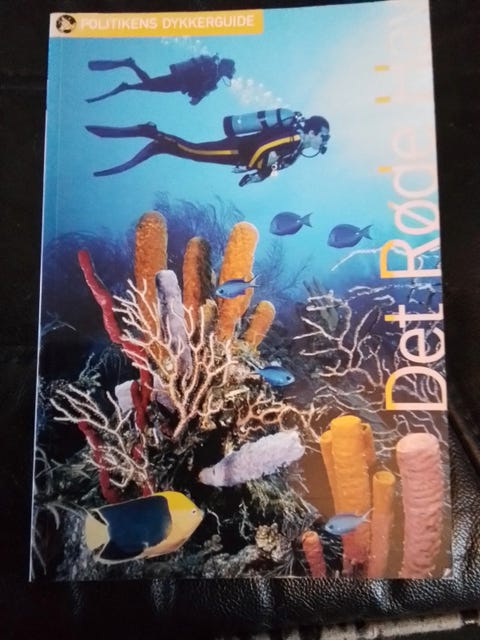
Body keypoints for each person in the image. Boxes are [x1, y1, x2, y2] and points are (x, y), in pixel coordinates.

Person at [85, 114, 330, 186]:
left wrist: (255, 177)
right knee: (194, 151)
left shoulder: (295, 153)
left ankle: (162, 146)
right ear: (313, 131)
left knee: (193, 154)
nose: (324, 142)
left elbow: (274, 168)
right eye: (324, 136)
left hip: (239, 158)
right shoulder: (293, 136)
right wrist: (256, 165)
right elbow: (262, 148)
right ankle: (152, 132)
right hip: (236, 150)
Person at [86, 55, 236, 105]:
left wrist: (197, 98)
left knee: (150, 86)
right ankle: (130, 66)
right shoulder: (209, 64)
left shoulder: (213, 82)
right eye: (227, 70)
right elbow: (187, 70)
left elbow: (198, 97)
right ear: (224, 66)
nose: (226, 74)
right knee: (150, 85)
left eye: (228, 72)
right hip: (178, 80)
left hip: (178, 86)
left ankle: (128, 84)